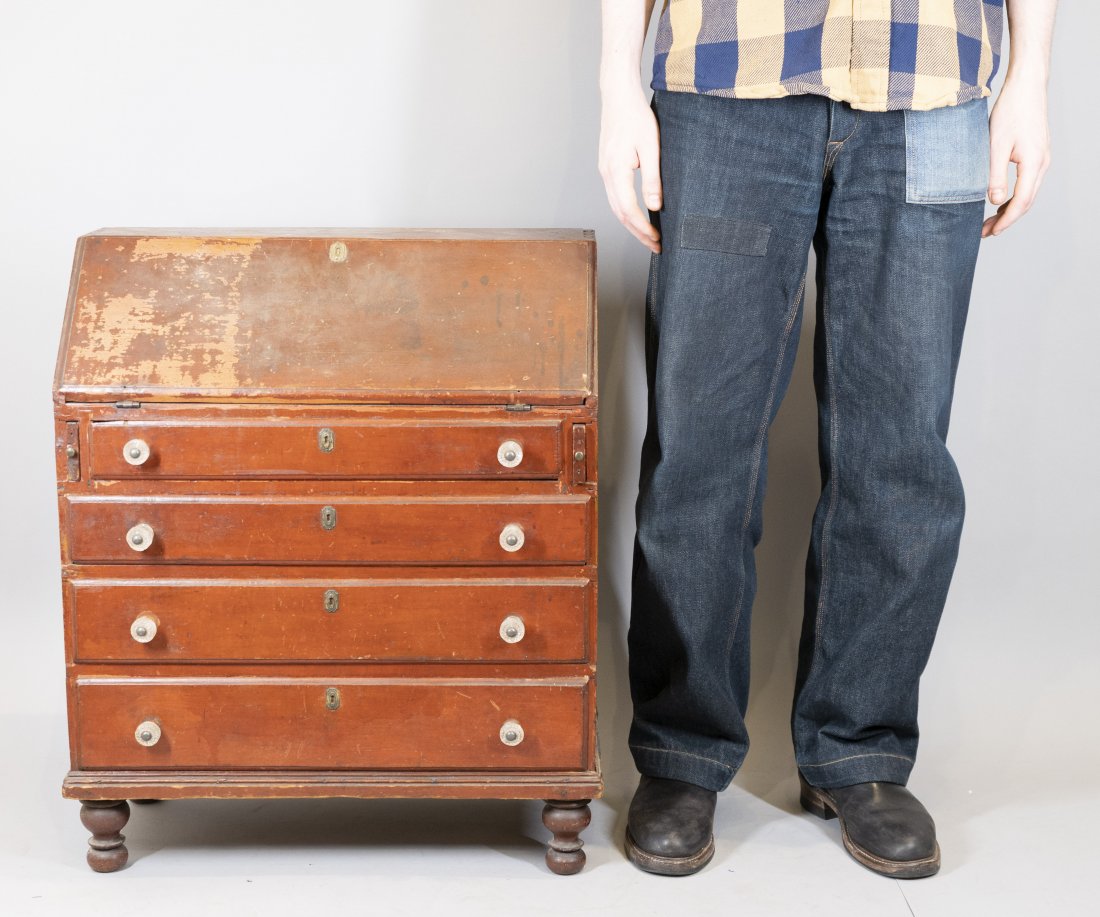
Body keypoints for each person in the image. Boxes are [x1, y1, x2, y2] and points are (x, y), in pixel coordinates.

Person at [598, 0, 1057, 878]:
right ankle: (682, 750)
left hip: (933, 86)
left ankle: (861, 750)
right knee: (702, 443)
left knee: (903, 452)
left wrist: (1030, 81)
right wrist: (619, 86)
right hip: (728, 84)